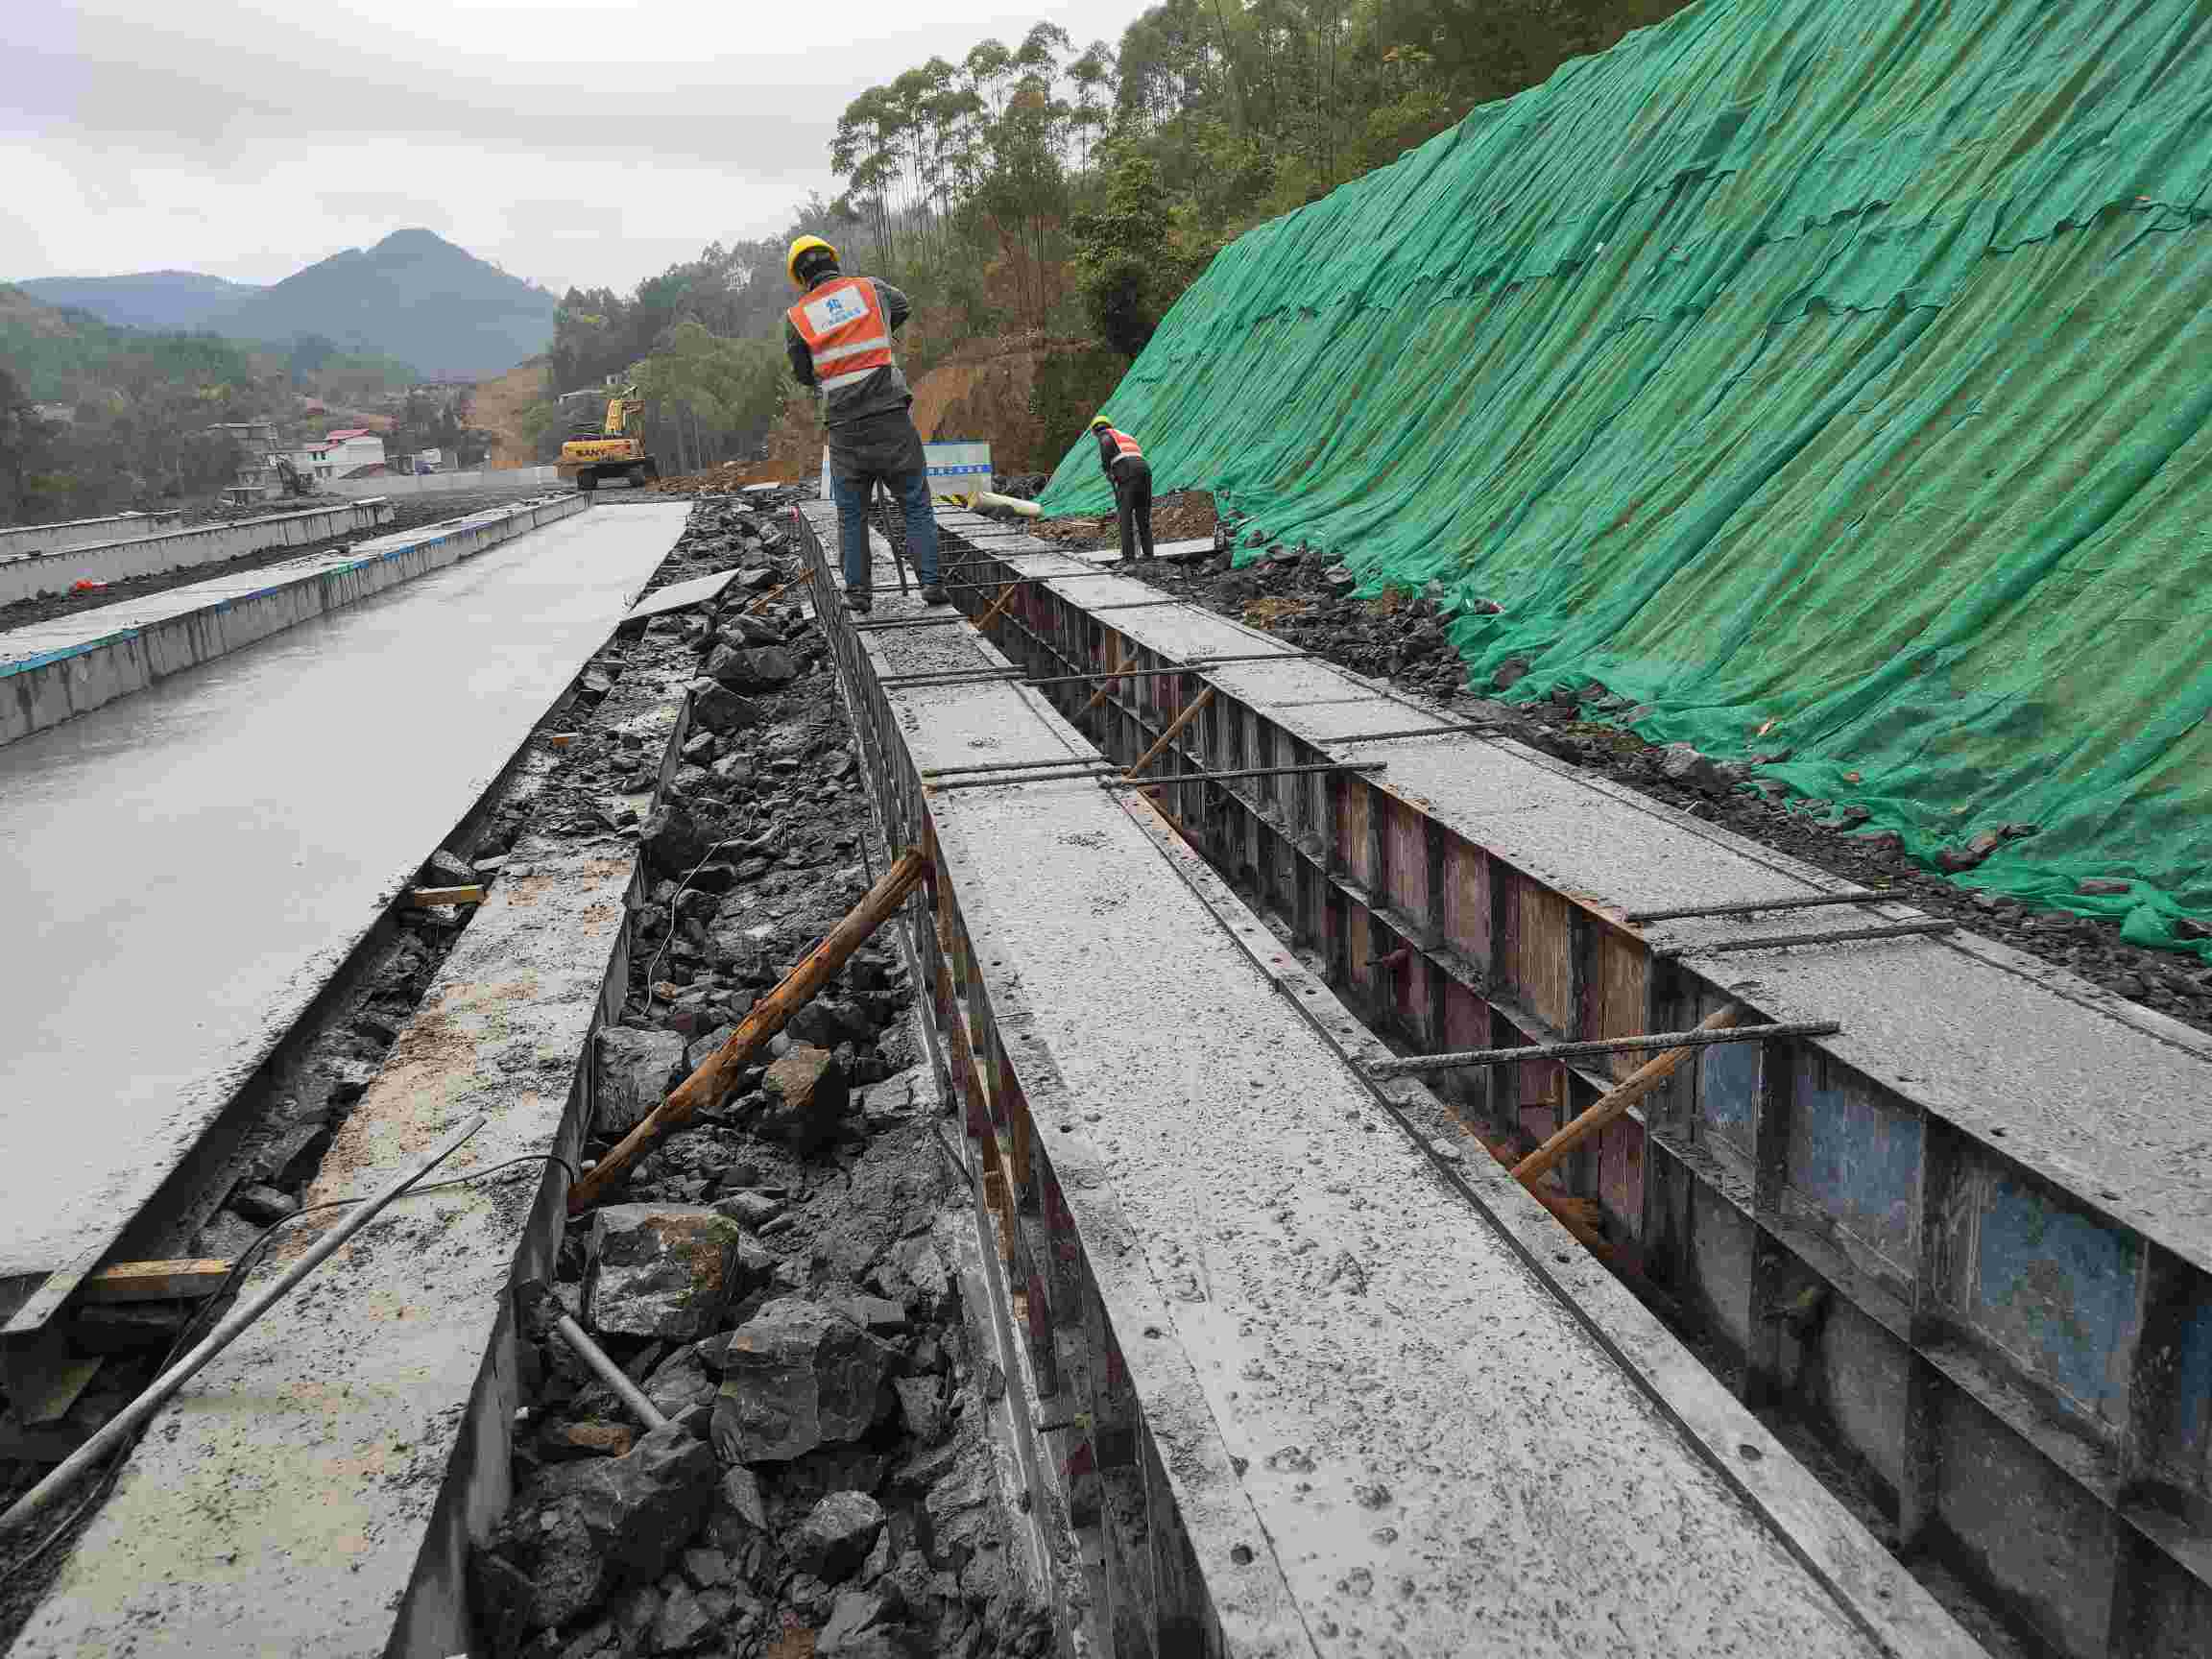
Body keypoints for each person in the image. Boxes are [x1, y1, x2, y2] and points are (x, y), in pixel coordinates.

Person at [783, 235, 945, 613]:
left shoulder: (798, 317)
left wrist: (832, 370)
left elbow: (803, 372)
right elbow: (902, 305)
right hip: (890, 414)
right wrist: (881, 330)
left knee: (851, 514)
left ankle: (859, 594)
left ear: (801, 276)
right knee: (916, 503)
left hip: (844, 426)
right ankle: (932, 584)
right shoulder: (870, 289)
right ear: (833, 262)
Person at [1091, 414, 1154, 563]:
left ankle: (1128, 558)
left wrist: (1107, 469)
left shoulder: (1105, 434)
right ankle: (1148, 554)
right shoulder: (1125, 436)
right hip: (1144, 471)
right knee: (1142, 516)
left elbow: (1106, 444)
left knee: (1125, 516)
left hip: (1128, 473)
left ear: (1095, 430)